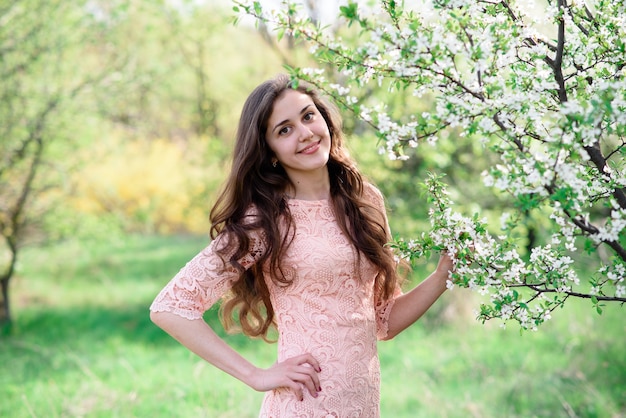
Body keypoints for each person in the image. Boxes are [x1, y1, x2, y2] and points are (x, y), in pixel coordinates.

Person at [149, 74, 455, 417]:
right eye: (284, 129)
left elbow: (383, 321)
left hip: (363, 406)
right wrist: (256, 375)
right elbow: (171, 307)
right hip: (302, 406)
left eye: (308, 116)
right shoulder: (264, 220)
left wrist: (445, 273)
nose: (306, 133)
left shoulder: (366, 200)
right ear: (270, 152)